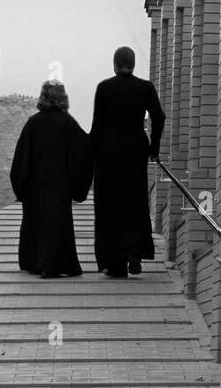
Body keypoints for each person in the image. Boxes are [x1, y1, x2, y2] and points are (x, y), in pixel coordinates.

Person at [89, 45, 165, 279]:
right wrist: (153, 147)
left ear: (114, 64)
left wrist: (90, 154)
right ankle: (135, 250)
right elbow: (159, 116)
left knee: (110, 205)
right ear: (133, 64)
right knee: (135, 201)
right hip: (135, 150)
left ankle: (115, 262)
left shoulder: (104, 88)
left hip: (108, 153)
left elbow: (97, 125)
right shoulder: (145, 88)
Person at [9, 81, 93, 278]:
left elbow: (20, 161)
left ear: (43, 97)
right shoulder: (68, 124)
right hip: (59, 188)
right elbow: (84, 155)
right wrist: (77, 188)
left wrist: (21, 189)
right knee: (57, 225)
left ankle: (36, 262)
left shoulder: (32, 124)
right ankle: (55, 263)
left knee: (36, 224)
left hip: (35, 189)